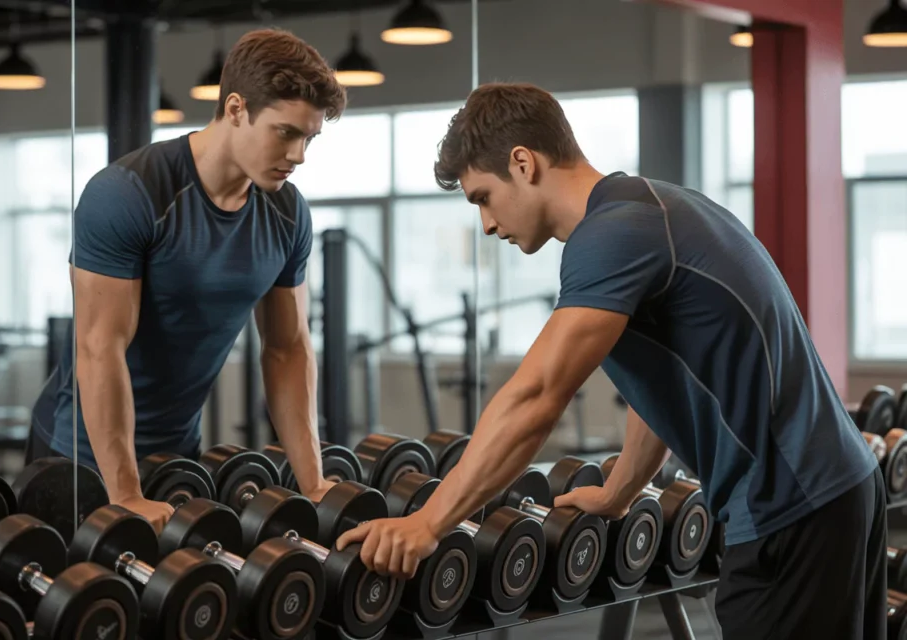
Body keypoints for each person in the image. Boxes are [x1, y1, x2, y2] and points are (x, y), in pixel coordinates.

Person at [336, 82, 886, 639]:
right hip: (832, 491)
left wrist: (428, 523)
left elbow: (535, 396)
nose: (486, 224)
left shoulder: (612, 236)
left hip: (791, 507)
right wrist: (622, 488)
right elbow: (664, 377)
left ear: (522, 163)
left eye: (482, 197)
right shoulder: (647, 207)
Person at [27, 28, 347, 531]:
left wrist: (314, 485)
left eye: (310, 137)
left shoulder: (287, 213)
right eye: (286, 132)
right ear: (236, 108)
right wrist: (126, 494)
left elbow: (287, 349)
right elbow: (99, 348)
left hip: (176, 455)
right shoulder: (129, 194)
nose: (300, 154)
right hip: (77, 458)